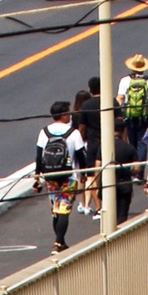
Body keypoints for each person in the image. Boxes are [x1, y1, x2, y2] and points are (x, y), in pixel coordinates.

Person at [33, 101, 85, 254]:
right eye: (68, 113)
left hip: (51, 176)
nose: (69, 115)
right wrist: (84, 173)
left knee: (56, 208)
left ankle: (60, 240)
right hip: (69, 176)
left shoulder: (44, 132)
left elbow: (39, 156)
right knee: (64, 209)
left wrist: (38, 176)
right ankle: (58, 242)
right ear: (63, 115)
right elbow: (81, 155)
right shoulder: (73, 133)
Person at [74, 77, 102, 217]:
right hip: (107, 143)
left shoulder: (85, 107)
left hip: (91, 144)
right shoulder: (110, 102)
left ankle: (94, 206)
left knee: (89, 176)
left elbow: (82, 128)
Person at [117, 54, 148, 155]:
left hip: (129, 115)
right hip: (144, 116)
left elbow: (120, 98)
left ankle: (133, 162)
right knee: (142, 141)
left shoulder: (125, 80)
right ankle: (140, 167)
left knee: (131, 140)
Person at [112, 113, 138, 225]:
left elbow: (98, 166)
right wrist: (130, 172)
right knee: (122, 216)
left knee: (110, 214)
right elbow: (137, 168)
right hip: (125, 184)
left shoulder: (104, 147)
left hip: (109, 184)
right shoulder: (129, 148)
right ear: (124, 131)